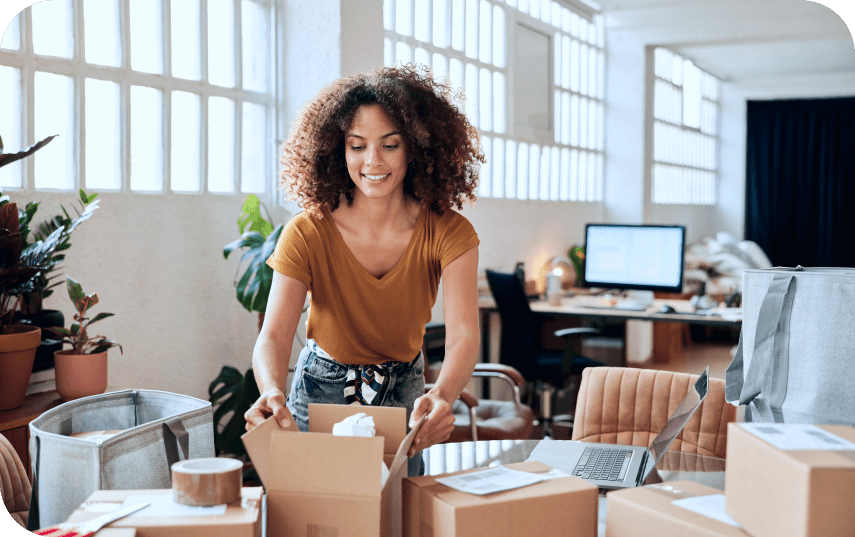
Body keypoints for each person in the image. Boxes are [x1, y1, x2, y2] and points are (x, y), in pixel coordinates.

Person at [244, 65, 484, 476]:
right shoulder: (307, 230)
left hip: (405, 394)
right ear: (338, 150)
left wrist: (443, 393)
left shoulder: (448, 231)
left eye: (390, 145)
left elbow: (464, 333)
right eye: (357, 146)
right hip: (320, 391)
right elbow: (276, 334)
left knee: (398, 517)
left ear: (416, 148)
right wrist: (271, 391)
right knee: (319, 516)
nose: (373, 161)